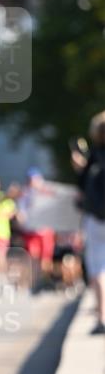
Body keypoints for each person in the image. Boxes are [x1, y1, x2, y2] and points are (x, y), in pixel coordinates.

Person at [72, 110, 105, 333]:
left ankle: (102, 315)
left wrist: (79, 168)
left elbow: (81, 190)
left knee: (98, 267)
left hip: (96, 219)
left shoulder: (94, 156)